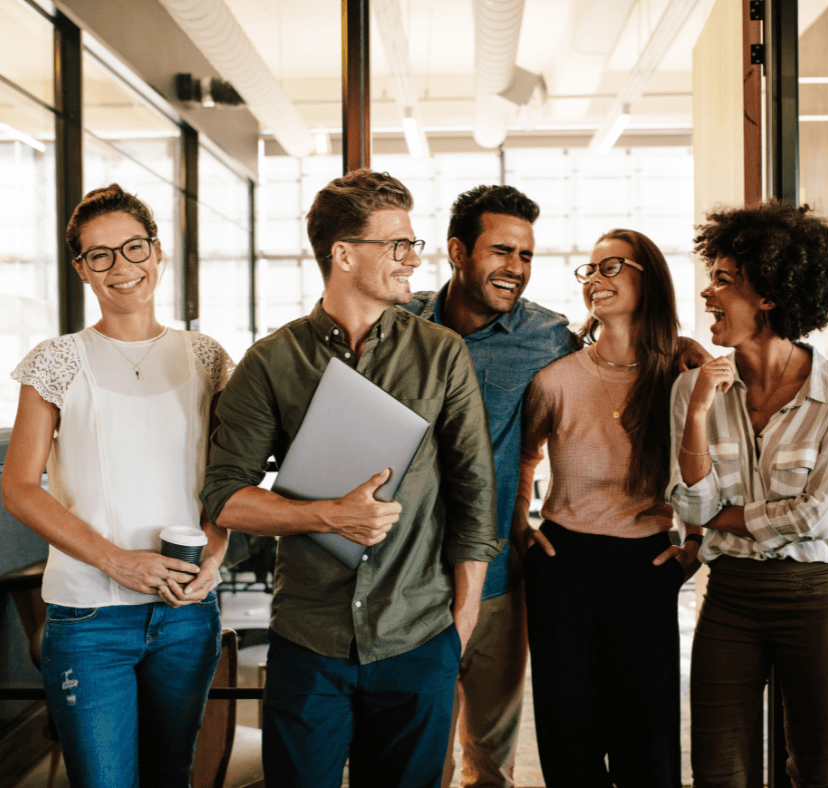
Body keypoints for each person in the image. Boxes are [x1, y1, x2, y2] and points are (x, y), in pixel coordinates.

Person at [200, 169, 501, 788]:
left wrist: (463, 618)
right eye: (398, 245)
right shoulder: (272, 362)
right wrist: (326, 515)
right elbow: (225, 495)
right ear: (343, 254)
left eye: (413, 244)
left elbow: (475, 495)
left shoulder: (442, 353)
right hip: (309, 637)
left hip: (419, 633)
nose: (413, 259)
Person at [1, 184, 232, 788]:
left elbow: (227, 476)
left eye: (134, 247)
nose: (121, 266)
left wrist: (215, 552)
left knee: (171, 774)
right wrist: (116, 561)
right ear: (82, 269)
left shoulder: (206, 356)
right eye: (99, 255)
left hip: (185, 614)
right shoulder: (56, 359)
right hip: (89, 617)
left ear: (157, 252)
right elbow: (19, 487)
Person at [668, 201, 828, 788]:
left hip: (819, 599)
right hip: (729, 598)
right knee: (718, 772)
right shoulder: (692, 389)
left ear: (771, 295)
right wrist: (699, 411)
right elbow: (690, 507)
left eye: (724, 280)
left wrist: (722, 516)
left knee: (817, 771)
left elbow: (821, 516)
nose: (707, 293)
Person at [512, 229, 702, 788]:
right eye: (589, 270)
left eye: (611, 266)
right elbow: (524, 455)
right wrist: (520, 521)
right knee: (568, 737)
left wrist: (695, 541)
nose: (595, 278)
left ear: (650, 278)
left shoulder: (681, 375)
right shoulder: (556, 379)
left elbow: (708, 465)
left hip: (646, 565)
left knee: (649, 740)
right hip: (563, 563)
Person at [402, 185, 578, 788]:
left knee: (490, 764)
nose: (516, 268)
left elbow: (621, 361)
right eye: (502, 251)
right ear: (457, 251)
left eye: (526, 255)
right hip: (408, 580)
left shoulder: (547, 338)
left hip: (500, 574)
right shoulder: (398, 324)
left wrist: (680, 348)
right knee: (419, 760)